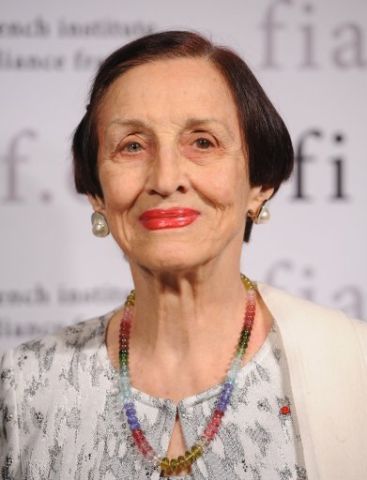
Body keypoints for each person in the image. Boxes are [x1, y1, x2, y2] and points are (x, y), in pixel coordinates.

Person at [0, 31, 366, 480]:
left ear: (259, 183)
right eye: (132, 145)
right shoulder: (24, 386)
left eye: (203, 142)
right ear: (96, 191)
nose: (167, 178)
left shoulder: (355, 370)